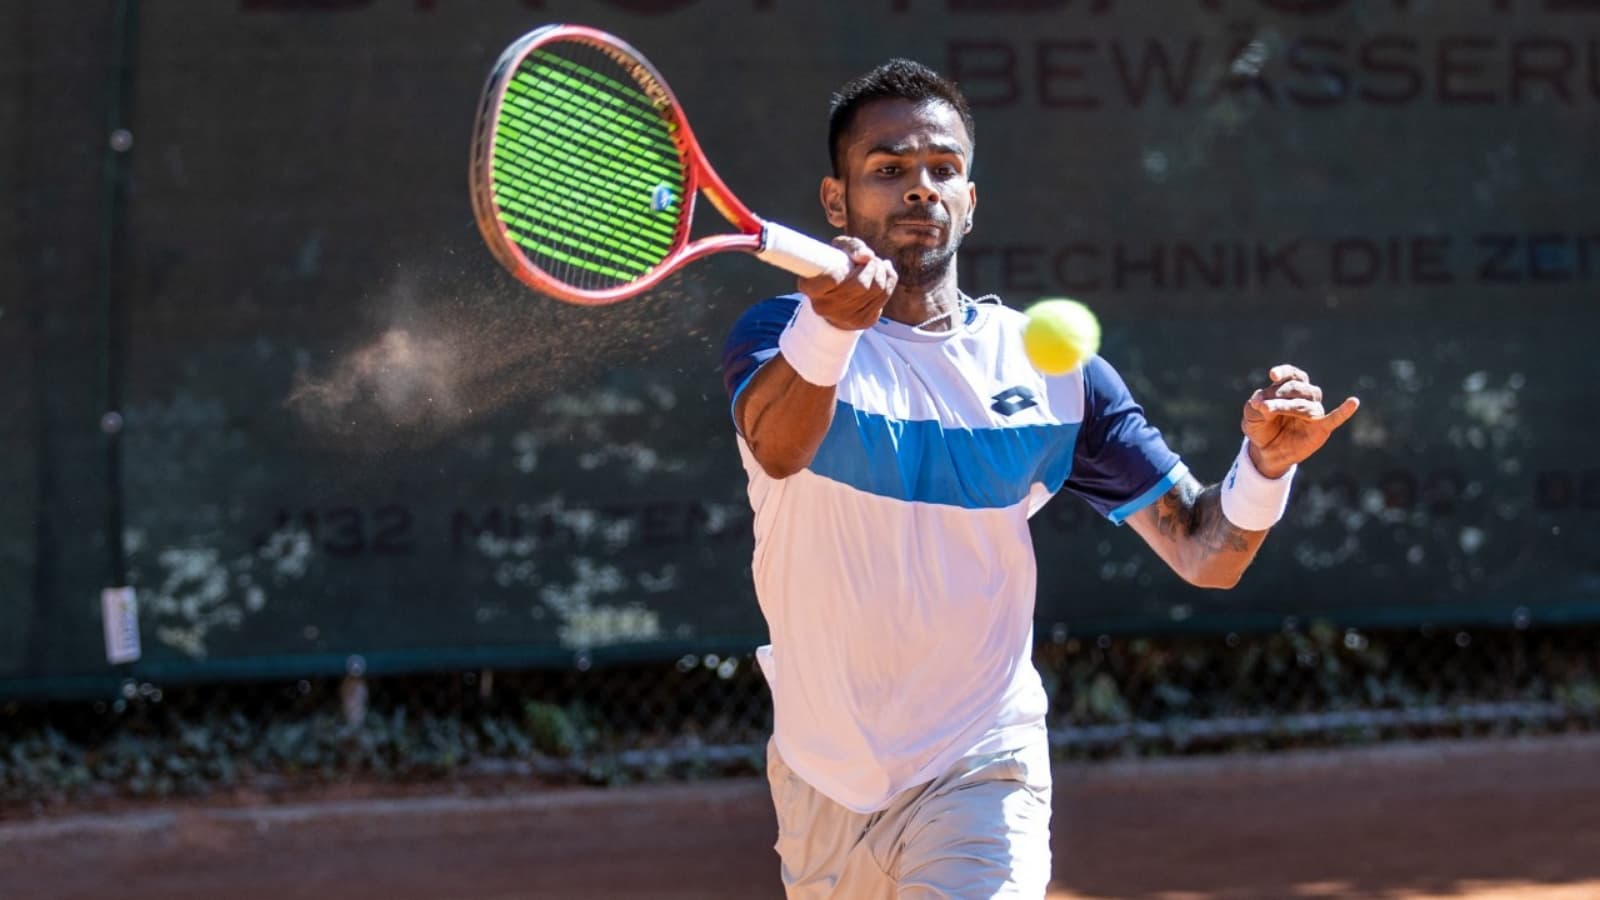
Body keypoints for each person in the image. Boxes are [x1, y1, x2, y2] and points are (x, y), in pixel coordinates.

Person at [719, 58, 1359, 899]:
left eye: (943, 170)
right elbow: (777, 447)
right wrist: (831, 327)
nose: (920, 189)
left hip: (980, 768)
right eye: (888, 169)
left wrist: (1265, 467)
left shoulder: (1055, 374)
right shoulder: (781, 335)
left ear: (970, 201)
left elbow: (1208, 552)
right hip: (820, 777)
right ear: (837, 202)